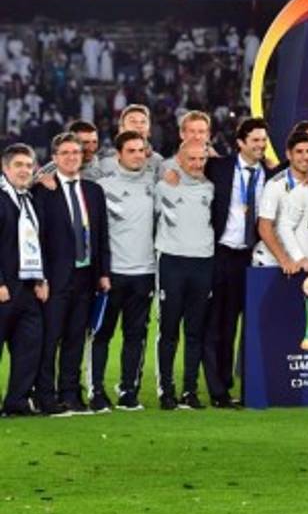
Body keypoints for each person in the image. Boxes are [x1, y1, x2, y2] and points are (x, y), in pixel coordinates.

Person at [32, 132, 111, 416]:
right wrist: (40, 278)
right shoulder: (43, 190)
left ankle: (70, 394)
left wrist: (103, 272)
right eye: (65, 153)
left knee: (76, 338)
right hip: (54, 278)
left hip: (86, 276)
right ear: (54, 158)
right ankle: (44, 396)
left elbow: (101, 234)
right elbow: (36, 239)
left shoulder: (93, 190)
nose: (71, 157)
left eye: (76, 152)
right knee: (50, 338)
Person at [202, 117, 269, 409]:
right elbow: (186, 165)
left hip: (251, 257)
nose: (260, 145)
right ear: (240, 142)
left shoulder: (271, 174)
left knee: (245, 324)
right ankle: (218, 389)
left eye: (263, 140)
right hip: (222, 253)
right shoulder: (218, 167)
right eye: (255, 140)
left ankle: (239, 384)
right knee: (218, 324)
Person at [92, 131, 156, 411]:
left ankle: (128, 390)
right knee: (101, 335)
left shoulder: (155, 184)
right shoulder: (102, 187)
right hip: (112, 274)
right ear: (118, 154)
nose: (137, 155)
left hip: (144, 273)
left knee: (135, 336)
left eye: (141, 150)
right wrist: (100, 272)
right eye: (131, 150)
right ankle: (96, 392)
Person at [153, 142, 214, 411]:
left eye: (202, 159)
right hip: (171, 262)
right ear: (179, 158)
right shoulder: (163, 185)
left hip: (203, 263)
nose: (197, 164)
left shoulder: (211, 188)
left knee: (195, 331)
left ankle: (190, 390)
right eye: (192, 159)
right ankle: (166, 390)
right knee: (169, 330)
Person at [0, 144, 49, 417]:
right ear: (5, 168)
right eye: (18, 165)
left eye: (29, 166)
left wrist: (42, 279)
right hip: (4, 288)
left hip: (29, 288)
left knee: (29, 346)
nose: (24, 170)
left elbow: (37, 244)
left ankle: (17, 401)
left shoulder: (29, 199)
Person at [252, 131, 308, 272]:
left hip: (306, 261)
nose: (305, 157)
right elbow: (264, 227)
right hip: (273, 261)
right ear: (289, 154)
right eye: (299, 152)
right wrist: (284, 261)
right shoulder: (275, 185)